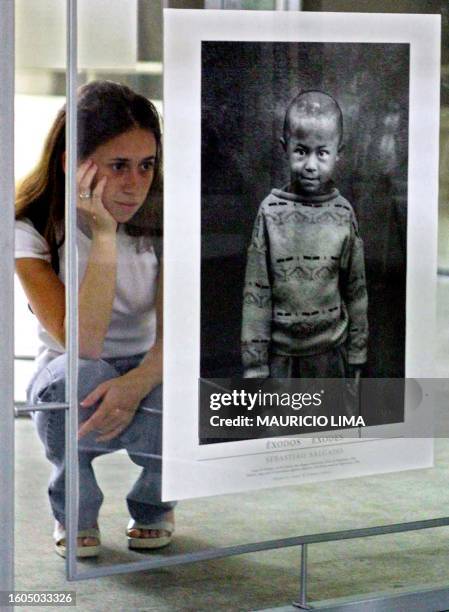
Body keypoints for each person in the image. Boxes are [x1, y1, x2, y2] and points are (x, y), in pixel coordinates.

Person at [15, 80, 175, 558]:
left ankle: (154, 505)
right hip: (70, 369)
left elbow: (179, 336)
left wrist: (138, 382)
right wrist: (104, 235)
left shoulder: (169, 220)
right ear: (74, 165)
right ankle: (75, 514)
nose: (135, 183)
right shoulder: (32, 227)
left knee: (184, 395)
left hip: (151, 364)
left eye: (146, 165)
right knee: (77, 377)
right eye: (118, 166)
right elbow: (80, 342)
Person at [241, 90, 368, 384]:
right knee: (281, 429)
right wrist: (255, 364)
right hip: (280, 359)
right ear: (285, 148)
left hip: (330, 354)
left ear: (338, 152)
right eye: (301, 151)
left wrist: (357, 353)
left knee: (329, 428)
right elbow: (256, 293)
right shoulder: (270, 212)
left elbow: (356, 291)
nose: (311, 164)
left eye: (321, 153)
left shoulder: (343, 214)